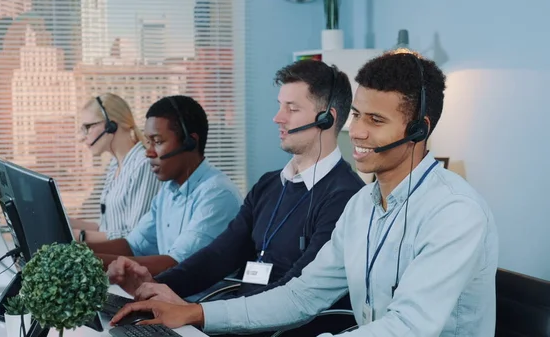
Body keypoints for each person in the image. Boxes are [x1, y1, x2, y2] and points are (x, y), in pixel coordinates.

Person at [110, 51, 499, 337]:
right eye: (358, 115)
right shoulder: (363, 205)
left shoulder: (454, 213)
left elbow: (408, 326)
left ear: (419, 129)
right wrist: (196, 314)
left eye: (376, 120)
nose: (358, 132)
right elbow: (301, 296)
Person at [107, 59, 365, 336]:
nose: (278, 117)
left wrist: (198, 314)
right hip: (236, 322)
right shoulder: (269, 185)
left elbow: (296, 293)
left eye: (292, 109)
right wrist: (158, 286)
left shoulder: (345, 197)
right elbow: (220, 254)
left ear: (328, 118)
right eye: (280, 106)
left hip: (280, 328)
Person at [86, 95, 243, 275]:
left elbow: (175, 266)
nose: (149, 153)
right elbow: (133, 245)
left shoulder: (216, 194)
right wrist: (70, 250)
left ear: (190, 142)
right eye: (148, 142)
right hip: (166, 294)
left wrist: (82, 261)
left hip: (198, 300)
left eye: (158, 142)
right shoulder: (168, 191)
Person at [71, 93, 161, 243]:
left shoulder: (144, 165)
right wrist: (63, 222)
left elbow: (134, 237)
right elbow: (108, 229)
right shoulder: (115, 165)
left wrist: (80, 236)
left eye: (88, 127)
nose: (81, 137)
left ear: (111, 126)